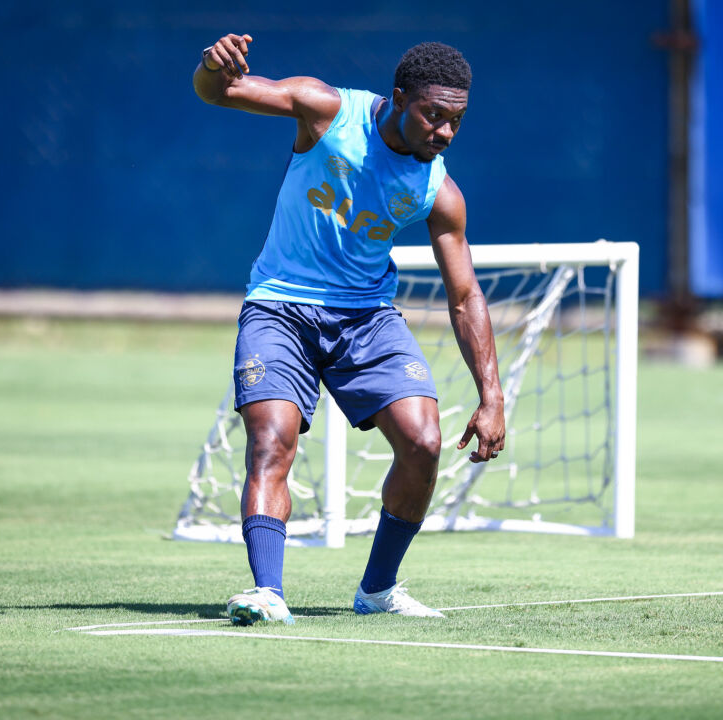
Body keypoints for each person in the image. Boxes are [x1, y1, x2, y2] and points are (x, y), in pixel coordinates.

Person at [193, 33, 505, 623]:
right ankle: (268, 593)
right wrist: (212, 67)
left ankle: (378, 592)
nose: (443, 133)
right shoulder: (326, 111)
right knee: (272, 441)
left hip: (366, 317)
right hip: (280, 309)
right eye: (433, 116)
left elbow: (465, 296)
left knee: (423, 442)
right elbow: (220, 94)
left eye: (456, 122)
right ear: (398, 98)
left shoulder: (438, 191)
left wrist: (492, 396)